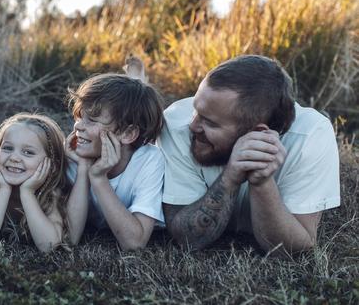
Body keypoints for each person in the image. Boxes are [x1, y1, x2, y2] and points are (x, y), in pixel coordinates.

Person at [157, 54, 340, 254]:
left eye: (210, 122)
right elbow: (186, 238)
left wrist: (261, 181)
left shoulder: (310, 137)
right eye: (195, 110)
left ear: (257, 133)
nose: (193, 125)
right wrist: (230, 178)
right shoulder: (176, 125)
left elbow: (295, 248)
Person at [65, 73, 165, 251]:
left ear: (127, 134)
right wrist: (83, 169)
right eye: (80, 117)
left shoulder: (148, 160)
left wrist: (99, 178)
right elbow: (69, 238)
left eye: (92, 120)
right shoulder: (72, 157)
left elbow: (135, 243)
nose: (78, 126)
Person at [0, 113, 70, 253]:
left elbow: (49, 245)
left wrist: (27, 193)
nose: (14, 158)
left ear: (51, 164)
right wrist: (3, 189)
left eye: (28, 152)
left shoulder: (50, 194)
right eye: (7, 148)